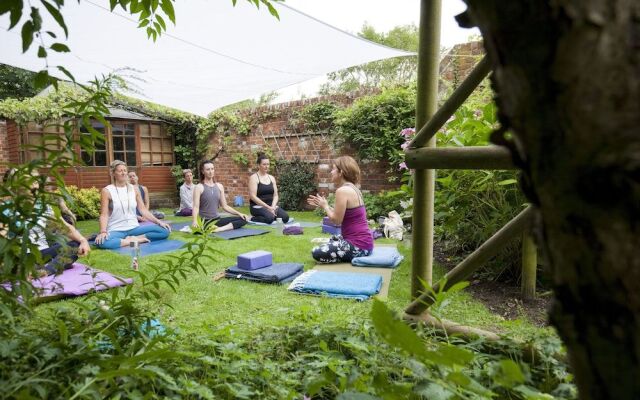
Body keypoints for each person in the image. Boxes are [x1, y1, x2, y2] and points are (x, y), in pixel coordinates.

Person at [1, 169, 90, 276]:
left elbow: (64, 228)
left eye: (35, 182)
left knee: (74, 246)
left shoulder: (43, 206)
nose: (34, 186)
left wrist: (83, 240)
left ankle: (45, 271)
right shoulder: (5, 209)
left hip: (42, 254)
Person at [307, 156, 373, 263]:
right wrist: (324, 205)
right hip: (366, 244)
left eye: (333, 169)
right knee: (334, 239)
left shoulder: (342, 191)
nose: (331, 172)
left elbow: (337, 221)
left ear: (341, 172)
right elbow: (345, 213)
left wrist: (325, 206)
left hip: (358, 246)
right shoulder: (353, 188)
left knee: (316, 252)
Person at [95, 160, 171, 249]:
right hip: (116, 229)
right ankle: (133, 242)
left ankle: (136, 238)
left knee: (164, 231)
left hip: (134, 228)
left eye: (125, 170)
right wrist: (103, 231)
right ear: (113, 173)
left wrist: (159, 222)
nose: (123, 173)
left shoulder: (134, 189)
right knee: (102, 242)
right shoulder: (107, 191)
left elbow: (143, 210)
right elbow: (104, 215)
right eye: (120, 171)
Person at [192, 160, 249, 232]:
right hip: (205, 221)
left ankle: (219, 229)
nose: (211, 171)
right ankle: (215, 227)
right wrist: (194, 221)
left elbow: (225, 206)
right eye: (208, 169)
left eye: (212, 169)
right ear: (203, 172)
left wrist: (239, 213)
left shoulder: (219, 186)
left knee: (244, 219)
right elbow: (195, 207)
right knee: (205, 226)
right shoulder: (199, 187)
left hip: (217, 220)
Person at [248, 153, 289, 224]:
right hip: (258, 206)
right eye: (264, 164)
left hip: (271, 206)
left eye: (268, 164)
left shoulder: (272, 178)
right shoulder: (254, 178)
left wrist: (272, 207)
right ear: (258, 165)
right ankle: (252, 218)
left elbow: (275, 195)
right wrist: (268, 207)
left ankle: (270, 215)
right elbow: (253, 197)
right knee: (270, 218)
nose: (266, 166)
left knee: (285, 218)